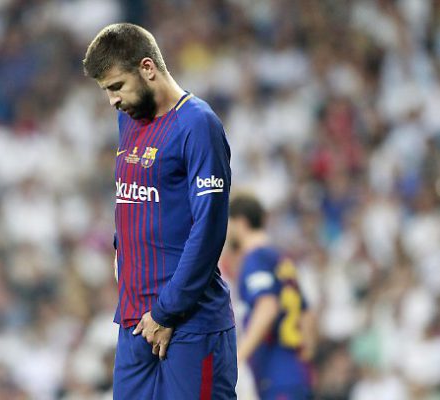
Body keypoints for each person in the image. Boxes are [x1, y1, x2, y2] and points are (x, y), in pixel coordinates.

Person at [83, 23, 237, 399]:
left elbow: (209, 228)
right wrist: (120, 249)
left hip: (190, 324)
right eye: (106, 91)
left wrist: (167, 311)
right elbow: (133, 196)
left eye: (117, 86)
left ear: (147, 68)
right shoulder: (129, 119)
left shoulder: (197, 125)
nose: (113, 101)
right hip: (135, 322)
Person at [227, 193, 316, 400]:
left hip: (277, 376)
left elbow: (267, 307)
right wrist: (302, 357)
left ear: (240, 223)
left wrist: (238, 357)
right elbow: (307, 316)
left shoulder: (255, 258)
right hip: (297, 374)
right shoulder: (280, 259)